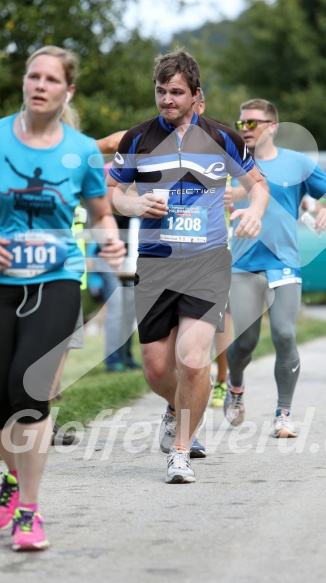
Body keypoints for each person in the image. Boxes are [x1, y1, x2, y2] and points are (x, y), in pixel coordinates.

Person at [106, 50, 269, 483]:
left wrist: (254, 210)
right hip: (157, 265)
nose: (167, 100)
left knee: (194, 362)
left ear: (197, 95)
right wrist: (134, 202)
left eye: (176, 92)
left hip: (207, 261)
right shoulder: (137, 140)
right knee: (159, 369)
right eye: (160, 91)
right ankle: (175, 406)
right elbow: (114, 192)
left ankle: (180, 450)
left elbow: (258, 185)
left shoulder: (224, 138)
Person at [0, 45, 125, 552]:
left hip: (56, 280)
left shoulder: (80, 151)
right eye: (34, 76)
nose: (40, 85)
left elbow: (100, 212)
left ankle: (29, 510)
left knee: (28, 394)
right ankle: (8, 483)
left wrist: (110, 239)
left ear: (67, 90)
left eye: (52, 79)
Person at [224, 98, 326, 437]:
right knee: (245, 342)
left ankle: (283, 413)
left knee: (285, 334)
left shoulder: (298, 163)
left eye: (252, 123)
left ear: (272, 126)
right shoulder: (230, 163)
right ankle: (235, 386)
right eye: (241, 122)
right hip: (243, 265)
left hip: (284, 262)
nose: (244, 128)